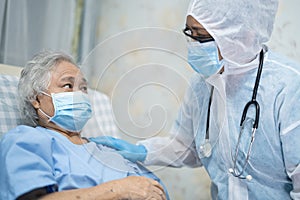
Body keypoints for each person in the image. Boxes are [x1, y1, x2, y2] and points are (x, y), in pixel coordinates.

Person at [90, 0, 300, 199]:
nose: (193, 45)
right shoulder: (202, 84)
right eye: (189, 33)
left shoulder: (288, 87)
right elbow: (186, 146)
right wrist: (143, 151)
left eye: (201, 36)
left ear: (243, 35)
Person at [0, 51, 168, 200]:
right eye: (68, 85)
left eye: (84, 88)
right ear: (36, 99)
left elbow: (156, 190)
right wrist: (118, 190)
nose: (79, 93)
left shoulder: (109, 150)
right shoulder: (25, 142)